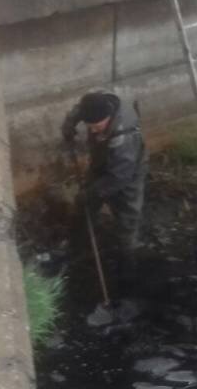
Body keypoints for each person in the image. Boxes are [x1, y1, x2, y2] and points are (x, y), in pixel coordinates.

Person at [61, 90, 147, 287]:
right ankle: (76, 244)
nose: (92, 131)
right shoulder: (95, 105)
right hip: (102, 160)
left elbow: (118, 178)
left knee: (128, 214)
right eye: (89, 126)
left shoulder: (124, 137)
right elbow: (78, 111)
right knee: (84, 203)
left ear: (108, 117)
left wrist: (91, 193)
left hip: (128, 173)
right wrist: (69, 126)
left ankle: (127, 260)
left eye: (97, 126)